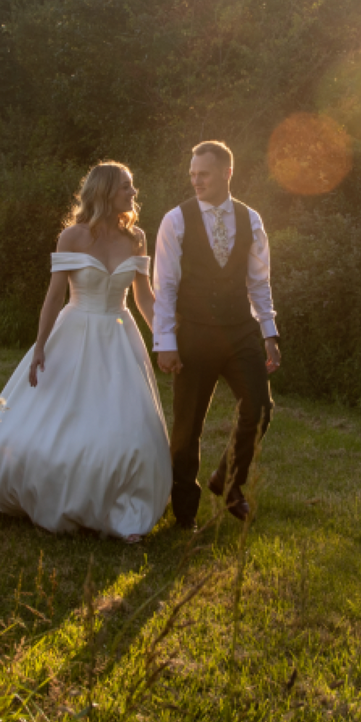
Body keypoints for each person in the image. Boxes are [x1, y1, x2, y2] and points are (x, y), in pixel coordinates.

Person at [0, 162, 171, 541]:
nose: (134, 194)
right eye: (126, 187)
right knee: (55, 420)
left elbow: (144, 297)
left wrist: (166, 340)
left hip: (118, 337)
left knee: (125, 425)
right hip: (73, 333)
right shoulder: (71, 237)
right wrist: (40, 346)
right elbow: (54, 296)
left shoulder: (136, 238)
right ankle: (42, 489)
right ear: (103, 192)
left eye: (132, 187)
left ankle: (120, 503)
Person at [153, 140, 280, 527]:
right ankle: (185, 512)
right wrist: (166, 342)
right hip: (193, 332)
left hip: (240, 330)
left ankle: (227, 481)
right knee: (188, 425)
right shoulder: (175, 220)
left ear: (227, 172)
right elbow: (166, 286)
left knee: (259, 407)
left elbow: (259, 283)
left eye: (203, 174)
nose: (195, 181)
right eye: (192, 174)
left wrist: (270, 334)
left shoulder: (252, 219)